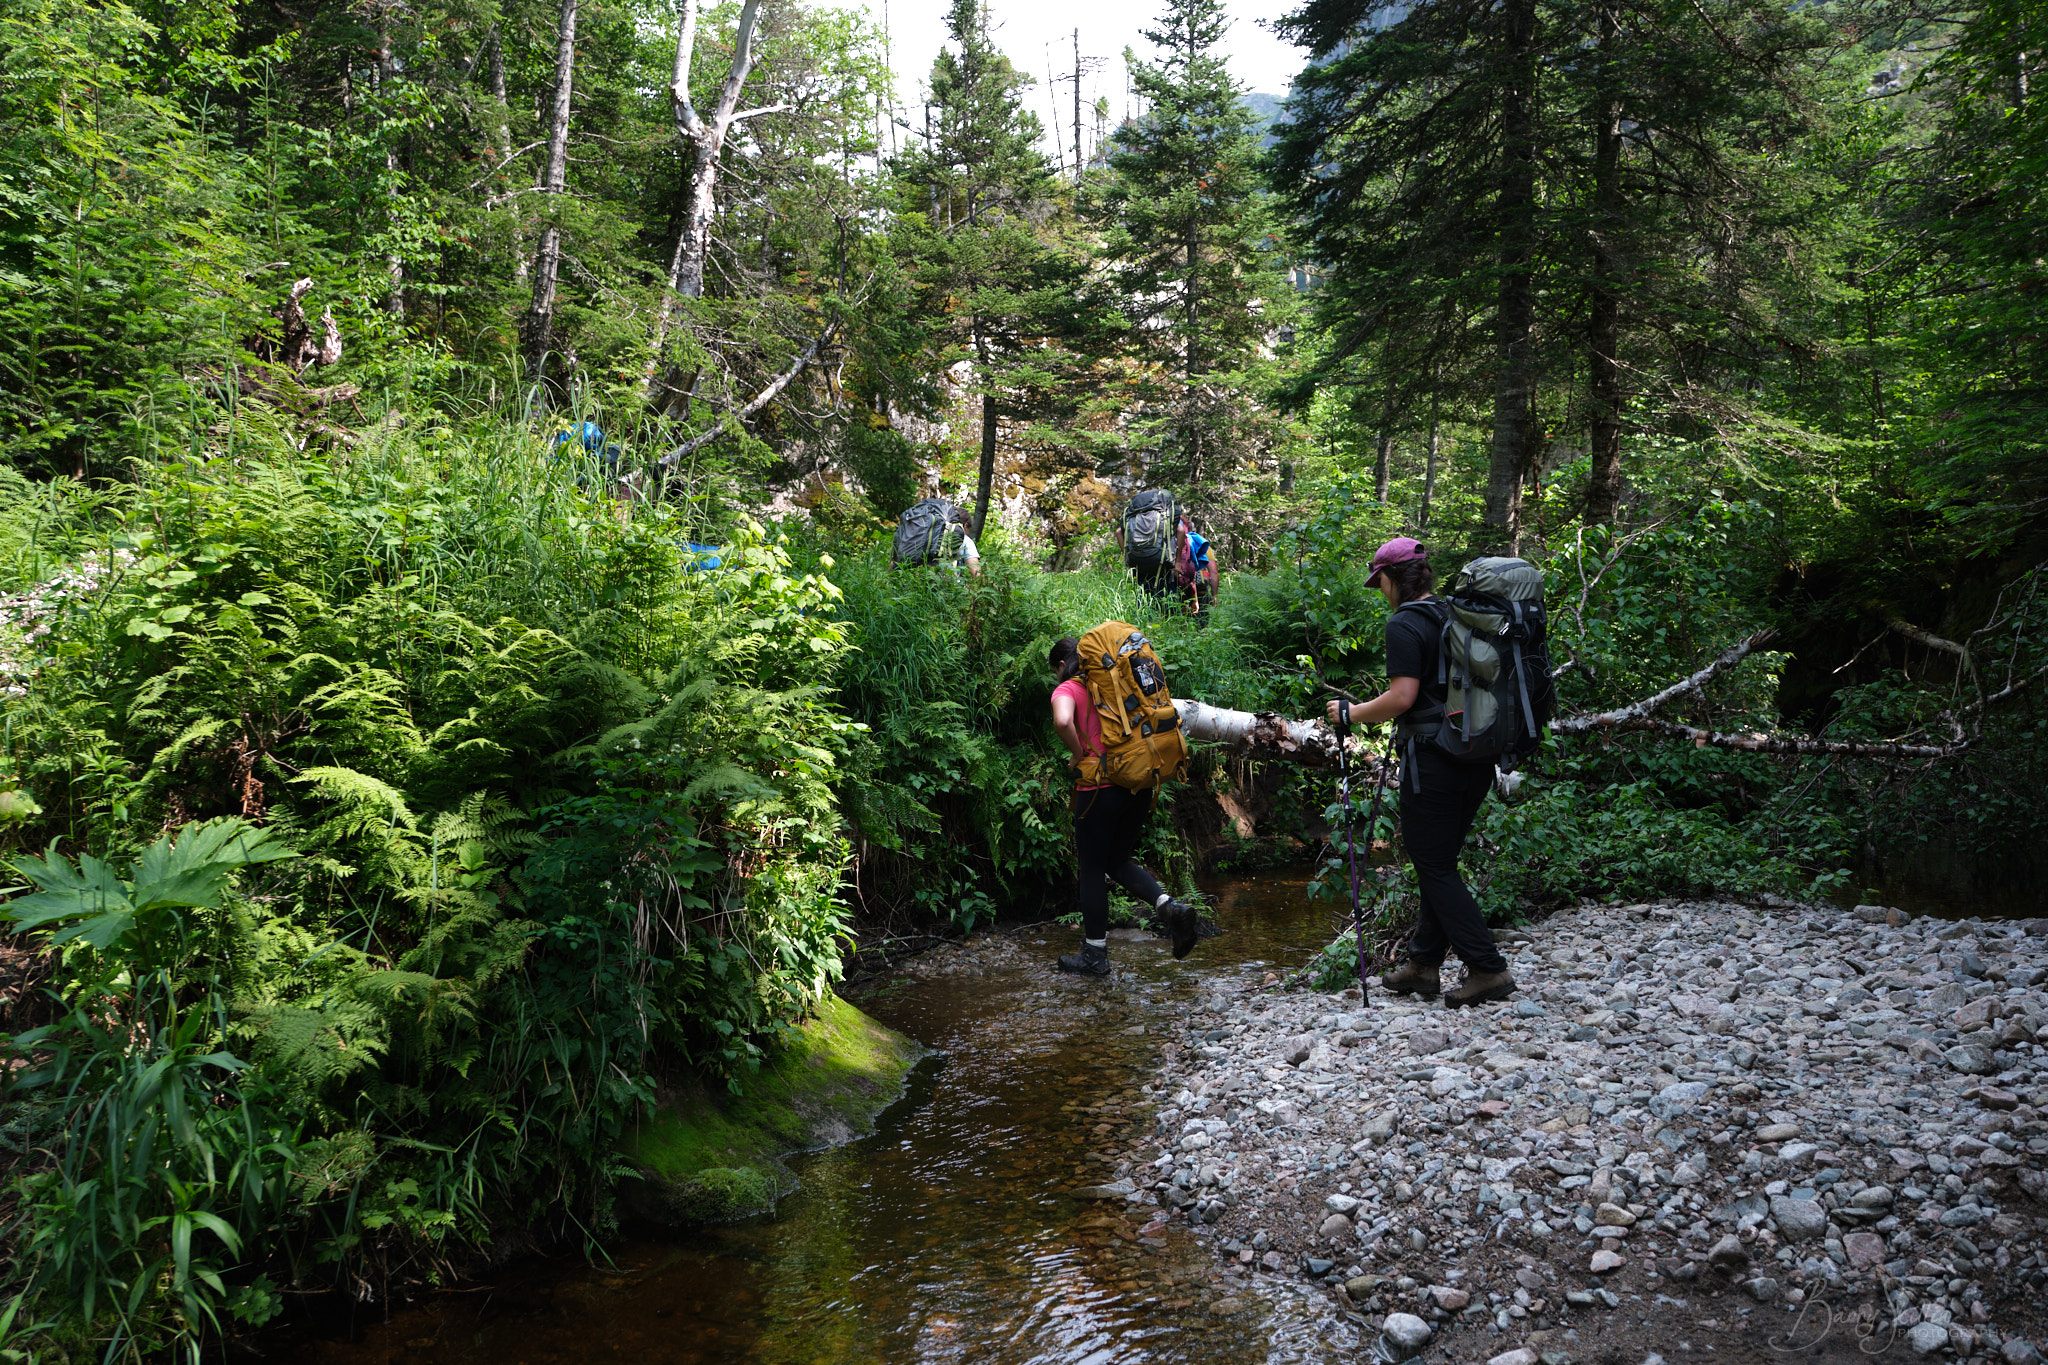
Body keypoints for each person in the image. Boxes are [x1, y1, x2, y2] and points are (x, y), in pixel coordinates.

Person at [1324, 537, 1518, 1007]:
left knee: (1433, 864)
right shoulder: (1454, 614)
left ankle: (1488, 968)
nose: (1380, 591)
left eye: (1380, 582)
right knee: (1439, 863)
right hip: (1475, 756)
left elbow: (1402, 697)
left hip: (1433, 761)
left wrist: (1350, 713)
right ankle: (1424, 966)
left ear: (1393, 578)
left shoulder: (1405, 623)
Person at [1048, 637, 1197, 975]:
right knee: (1116, 861)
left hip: (1098, 789)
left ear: (1062, 665)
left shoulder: (1068, 688)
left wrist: (1078, 753)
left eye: (1055, 670)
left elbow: (1063, 721)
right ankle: (1169, 908)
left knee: (1091, 868)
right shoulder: (1113, 683)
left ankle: (1094, 955)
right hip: (1137, 785)